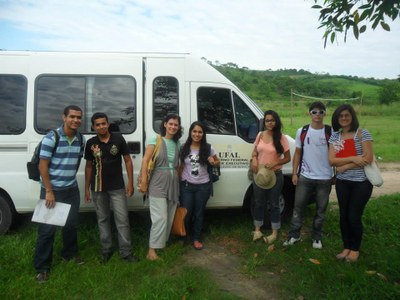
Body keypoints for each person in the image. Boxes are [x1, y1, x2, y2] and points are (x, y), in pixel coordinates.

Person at [34, 105, 85, 283]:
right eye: (72, 116)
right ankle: (42, 268)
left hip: (71, 189)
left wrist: (68, 180)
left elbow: (76, 161)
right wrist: (49, 190)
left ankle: (69, 254)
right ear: (64, 117)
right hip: (52, 191)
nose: (76, 120)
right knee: (47, 231)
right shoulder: (51, 137)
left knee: (70, 226)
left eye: (78, 117)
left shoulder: (80, 138)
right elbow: (42, 166)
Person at [84, 112, 138, 263]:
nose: (101, 126)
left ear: (108, 124)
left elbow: (128, 161)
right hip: (97, 187)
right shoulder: (91, 143)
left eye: (103, 123)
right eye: (98, 124)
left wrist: (130, 183)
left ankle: (126, 253)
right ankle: (106, 250)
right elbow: (88, 167)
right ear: (93, 127)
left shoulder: (118, 139)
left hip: (117, 187)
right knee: (103, 219)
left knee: (122, 220)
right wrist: (87, 188)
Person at [283, 102, 333, 249]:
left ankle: (317, 238)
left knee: (321, 210)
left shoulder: (330, 131)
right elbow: (297, 153)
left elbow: (335, 153)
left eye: (321, 112)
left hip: (325, 178)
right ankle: (294, 235)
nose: (317, 114)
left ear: (325, 114)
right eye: (314, 112)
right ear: (309, 113)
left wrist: (335, 174)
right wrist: (294, 173)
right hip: (305, 176)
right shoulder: (302, 131)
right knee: (298, 208)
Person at [328, 104, 374, 262]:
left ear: (352, 116)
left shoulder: (362, 134)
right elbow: (331, 160)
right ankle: (346, 247)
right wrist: (354, 158)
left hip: (362, 183)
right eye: (340, 116)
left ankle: (355, 249)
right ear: (337, 119)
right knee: (343, 216)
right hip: (343, 183)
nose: (344, 118)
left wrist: (346, 165)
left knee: (354, 216)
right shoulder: (335, 137)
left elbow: (367, 158)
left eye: (347, 115)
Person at [139, 114, 182, 261]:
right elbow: (145, 160)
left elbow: (178, 165)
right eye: (170, 124)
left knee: (169, 215)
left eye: (176, 125)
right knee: (160, 217)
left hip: (173, 183)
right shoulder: (155, 139)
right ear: (165, 124)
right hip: (157, 182)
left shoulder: (178, 144)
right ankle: (151, 251)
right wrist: (144, 181)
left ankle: (160, 244)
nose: (173, 127)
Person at [251, 110, 290, 244]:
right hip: (260, 174)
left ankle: (274, 232)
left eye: (272, 120)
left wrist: (276, 162)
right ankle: (257, 230)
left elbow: (287, 158)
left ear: (276, 121)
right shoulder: (260, 135)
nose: (270, 123)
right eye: (267, 120)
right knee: (258, 203)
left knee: (274, 204)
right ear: (264, 122)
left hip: (275, 175)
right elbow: (255, 151)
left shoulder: (281, 138)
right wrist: (254, 159)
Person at [179, 121, 220, 250]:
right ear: (191, 132)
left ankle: (196, 238)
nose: (197, 134)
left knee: (199, 213)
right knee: (186, 212)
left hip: (203, 186)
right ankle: (184, 235)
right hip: (186, 185)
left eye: (200, 132)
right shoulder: (184, 147)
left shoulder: (208, 148)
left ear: (203, 134)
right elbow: (180, 166)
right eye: (195, 131)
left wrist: (214, 162)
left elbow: (217, 162)